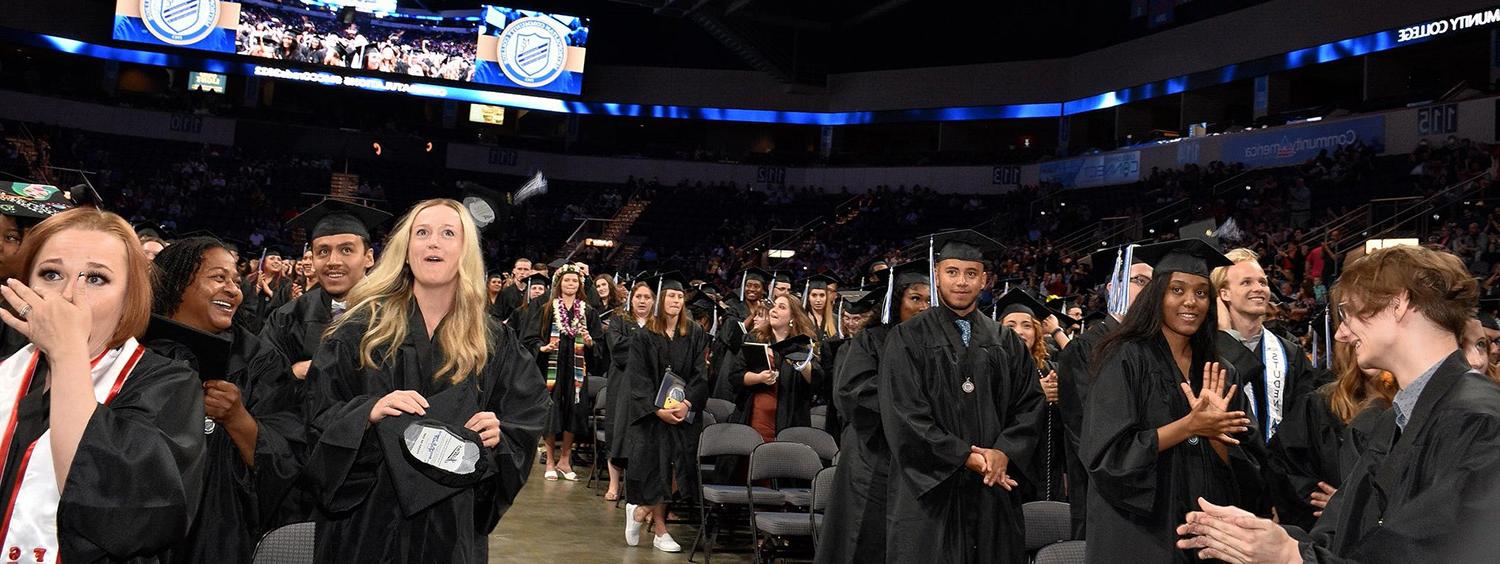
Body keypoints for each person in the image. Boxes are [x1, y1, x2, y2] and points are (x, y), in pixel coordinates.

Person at [1176, 245, 1500, 563]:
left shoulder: (1477, 422)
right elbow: (1346, 535)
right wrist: (1270, 538)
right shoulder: (1394, 421)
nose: (1342, 333)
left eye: (1347, 312)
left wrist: (1291, 557)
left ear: (1399, 303)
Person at [303, 199, 549, 563]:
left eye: (448, 233)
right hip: (364, 524)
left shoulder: (494, 342)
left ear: (465, 251)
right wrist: (367, 412)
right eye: (422, 233)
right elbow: (316, 417)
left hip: (450, 529)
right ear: (406, 250)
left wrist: (499, 436)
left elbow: (523, 419)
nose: (433, 242)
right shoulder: (359, 330)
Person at [0, 207, 205, 561]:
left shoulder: (168, 384)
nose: (67, 295)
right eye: (51, 274)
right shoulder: (8, 371)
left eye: (95, 279)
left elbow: (127, 517)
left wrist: (67, 354)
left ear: (130, 296)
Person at [1082, 238, 1264, 563]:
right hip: (1139, 535)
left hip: (1207, 531)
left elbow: (1248, 467)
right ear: (1157, 295)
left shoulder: (1221, 370)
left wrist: (1215, 435)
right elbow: (1106, 457)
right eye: (1177, 290)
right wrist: (1189, 426)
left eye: (1200, 292)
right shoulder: (1124, 359)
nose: (1190, 302)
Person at [879, 229, 1045, 564]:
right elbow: (905, 413)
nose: (961, 282)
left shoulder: (1004, 340)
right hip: (930, 489)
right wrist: (962, 456)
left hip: (992, 485)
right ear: (936, 275)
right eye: (952, 272)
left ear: (985, 280)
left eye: (971, 274)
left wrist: (1003, 451)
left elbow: (1030, 404)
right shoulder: (907, 337)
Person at [146, 236, 302, 563]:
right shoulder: (132, 353)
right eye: (219, 278)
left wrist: (237, 419)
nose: (233, 289)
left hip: (224, 535)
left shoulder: (259, 360)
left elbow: (290, 462)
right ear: (175, 285)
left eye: (234, 279)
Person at [816, 260, 928, 564]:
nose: (923, 307)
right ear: (896, 301)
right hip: (873, 455)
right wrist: (916, 415)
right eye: (915, 298)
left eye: (930, 300)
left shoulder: (938, 346)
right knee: (863, 537)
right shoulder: (871, 340)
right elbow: (855, 394)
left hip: (919, 459)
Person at [1210, 248, 1327, 529]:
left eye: (1262, 281)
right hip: (1227, 485)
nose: (1259, 288)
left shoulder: (1289, 352)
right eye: (1246, 282)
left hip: (1286, 488)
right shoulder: (1205, 350)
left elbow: (1303, 424)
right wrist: (1226, 337)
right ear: (1223, 294)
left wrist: (1283, 491)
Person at [1055, 244, 1152, 537]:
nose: (1148, 290)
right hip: (1104, 493)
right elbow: (1085, 432)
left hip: (1155, 491)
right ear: (1113, 287)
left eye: (1154, 283)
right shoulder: (1083, 349)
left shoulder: (1156, 348)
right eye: (1139, 281)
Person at [620, 272, 712, 553]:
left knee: (678, 469)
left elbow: (700, 374)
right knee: (657, 468)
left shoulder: (694, 332)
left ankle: (640, 510)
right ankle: (660, 530)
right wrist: (656, 410)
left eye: (680, 296)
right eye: (671, 295)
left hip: (682, 415)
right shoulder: (645, 335)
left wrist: (686, 405)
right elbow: (638, 378)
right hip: (653, 417)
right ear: (661, 300)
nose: (675, 300)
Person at [517, 263, 603, 482]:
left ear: (580, 284)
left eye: (575, 280)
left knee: (573, 411)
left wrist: (591, 342)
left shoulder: (588, 312)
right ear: (559, 283)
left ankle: (565, 460)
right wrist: (542, 348)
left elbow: (599, 344)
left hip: (577, 371)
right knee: (552, 412)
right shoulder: (546, 309)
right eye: (567, 280)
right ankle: (551, 462)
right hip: (551, 370)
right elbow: (529, 338)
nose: (571, 284)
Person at [993, 288, 1074, 503]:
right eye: (1011, 325)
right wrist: (1038, 393)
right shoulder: (991, 371)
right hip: (1008, 468)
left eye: (1027, 325)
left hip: (1048, 468)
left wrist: (1062, 397)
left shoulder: (1050, 369)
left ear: (1037, 333)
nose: (1019, 331)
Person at [725, 293, 820, 443]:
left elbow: (817, 381)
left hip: (790, 415)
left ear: (792, 318)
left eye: (781, 307)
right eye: (774, 306)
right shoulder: (755, 338)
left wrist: (802, 364)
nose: (774, 310)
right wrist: (759, 378)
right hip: (755, 413)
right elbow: (735, 376)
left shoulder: (803, 345)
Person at [603, 279, 654, 502]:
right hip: (622, 382)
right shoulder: (619, 320)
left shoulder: (657, 323)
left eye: (647, 297)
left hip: (648, 386)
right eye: (638, 297)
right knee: (618, 430)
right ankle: (614, 483)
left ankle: (639, 484)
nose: (642, 301)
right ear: (631, 299)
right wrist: (645, 342)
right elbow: (617, 348)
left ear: (654, 301)